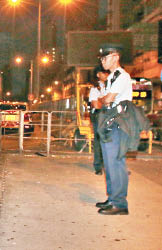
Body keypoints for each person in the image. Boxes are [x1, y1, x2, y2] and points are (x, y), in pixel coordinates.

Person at [95, 44, 132, 215]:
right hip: (110, 121)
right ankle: (112, 198)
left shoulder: (122, 76)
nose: (102, 61)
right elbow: (103, 100)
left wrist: (103, 99)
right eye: (101, 58)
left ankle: (120, 203)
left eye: (105, 57)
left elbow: (107, 100)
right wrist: (104, 99)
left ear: (116, 57)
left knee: (116, 163)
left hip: (118, 122)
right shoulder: (111, 78)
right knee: (109, 163)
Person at [88, 66, 109, 175]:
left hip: (109, 115)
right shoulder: (95, 88)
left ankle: (109, 166)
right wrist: (106, 101)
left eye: (107, 73)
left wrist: (102, 100)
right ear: (98, 75)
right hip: (99, 115)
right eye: (103, 73)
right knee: (99, 141)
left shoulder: (110, 86)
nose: (106, 75)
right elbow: (96, 105)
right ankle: (98, 166)